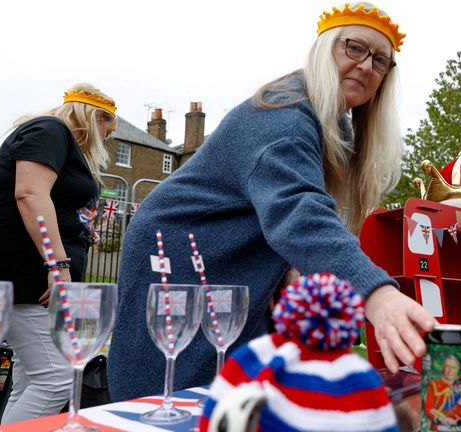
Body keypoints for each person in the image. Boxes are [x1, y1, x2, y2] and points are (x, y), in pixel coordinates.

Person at [107, 2, 435, 402]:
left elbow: (282, 211)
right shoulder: (286, 116)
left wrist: (291, 265)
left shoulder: (334, 126)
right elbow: (300, 214)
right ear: (324, 50)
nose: (366, 66)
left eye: (381, 61)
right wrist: (378, 295)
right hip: (180, 249)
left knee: (241, 390)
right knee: (172, 398)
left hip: (234, 259)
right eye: (353, 48)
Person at [0, 83, 116, 422]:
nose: (106, 139)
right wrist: (58, 262)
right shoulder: (51, 130)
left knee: (32, 378)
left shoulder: (53, 138)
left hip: (29, 274)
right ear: (95, 117)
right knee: (57, 378)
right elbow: (30, 194)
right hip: (27, 274)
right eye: (108, 130)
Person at [424, 354, 461, 428]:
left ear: (458, 369)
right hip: (441, 426)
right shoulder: (434, 385)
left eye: (453, 367)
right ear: (443, 368)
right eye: (447, 367)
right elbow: (429, 408)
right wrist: (442, 419)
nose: (450, 371)